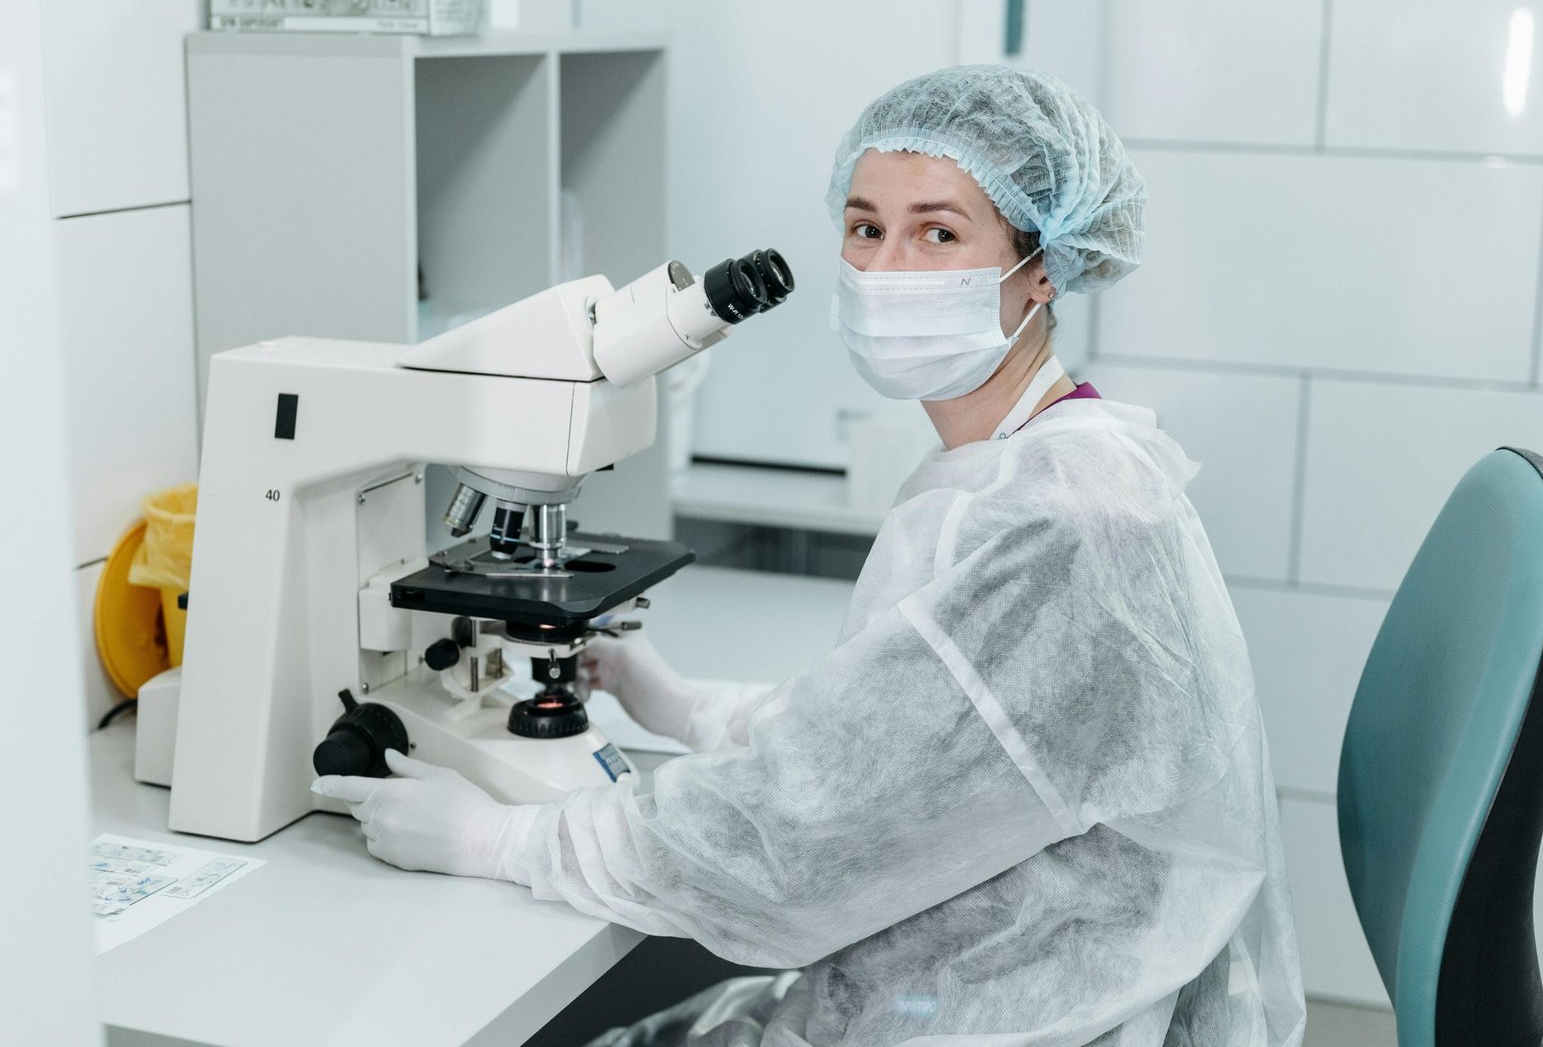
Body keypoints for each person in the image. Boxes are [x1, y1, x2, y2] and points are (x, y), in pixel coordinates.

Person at [313, 64, 1307, 1046]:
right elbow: (925, 743)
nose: (883, 269)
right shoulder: (1021, 466)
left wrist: (506, 840)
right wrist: (690, 707)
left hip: (1025, 1007)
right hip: (985, 970)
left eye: (938, 233)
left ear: (1043, 268)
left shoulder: (1062, 520)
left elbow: (809, 833)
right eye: (865, 228)